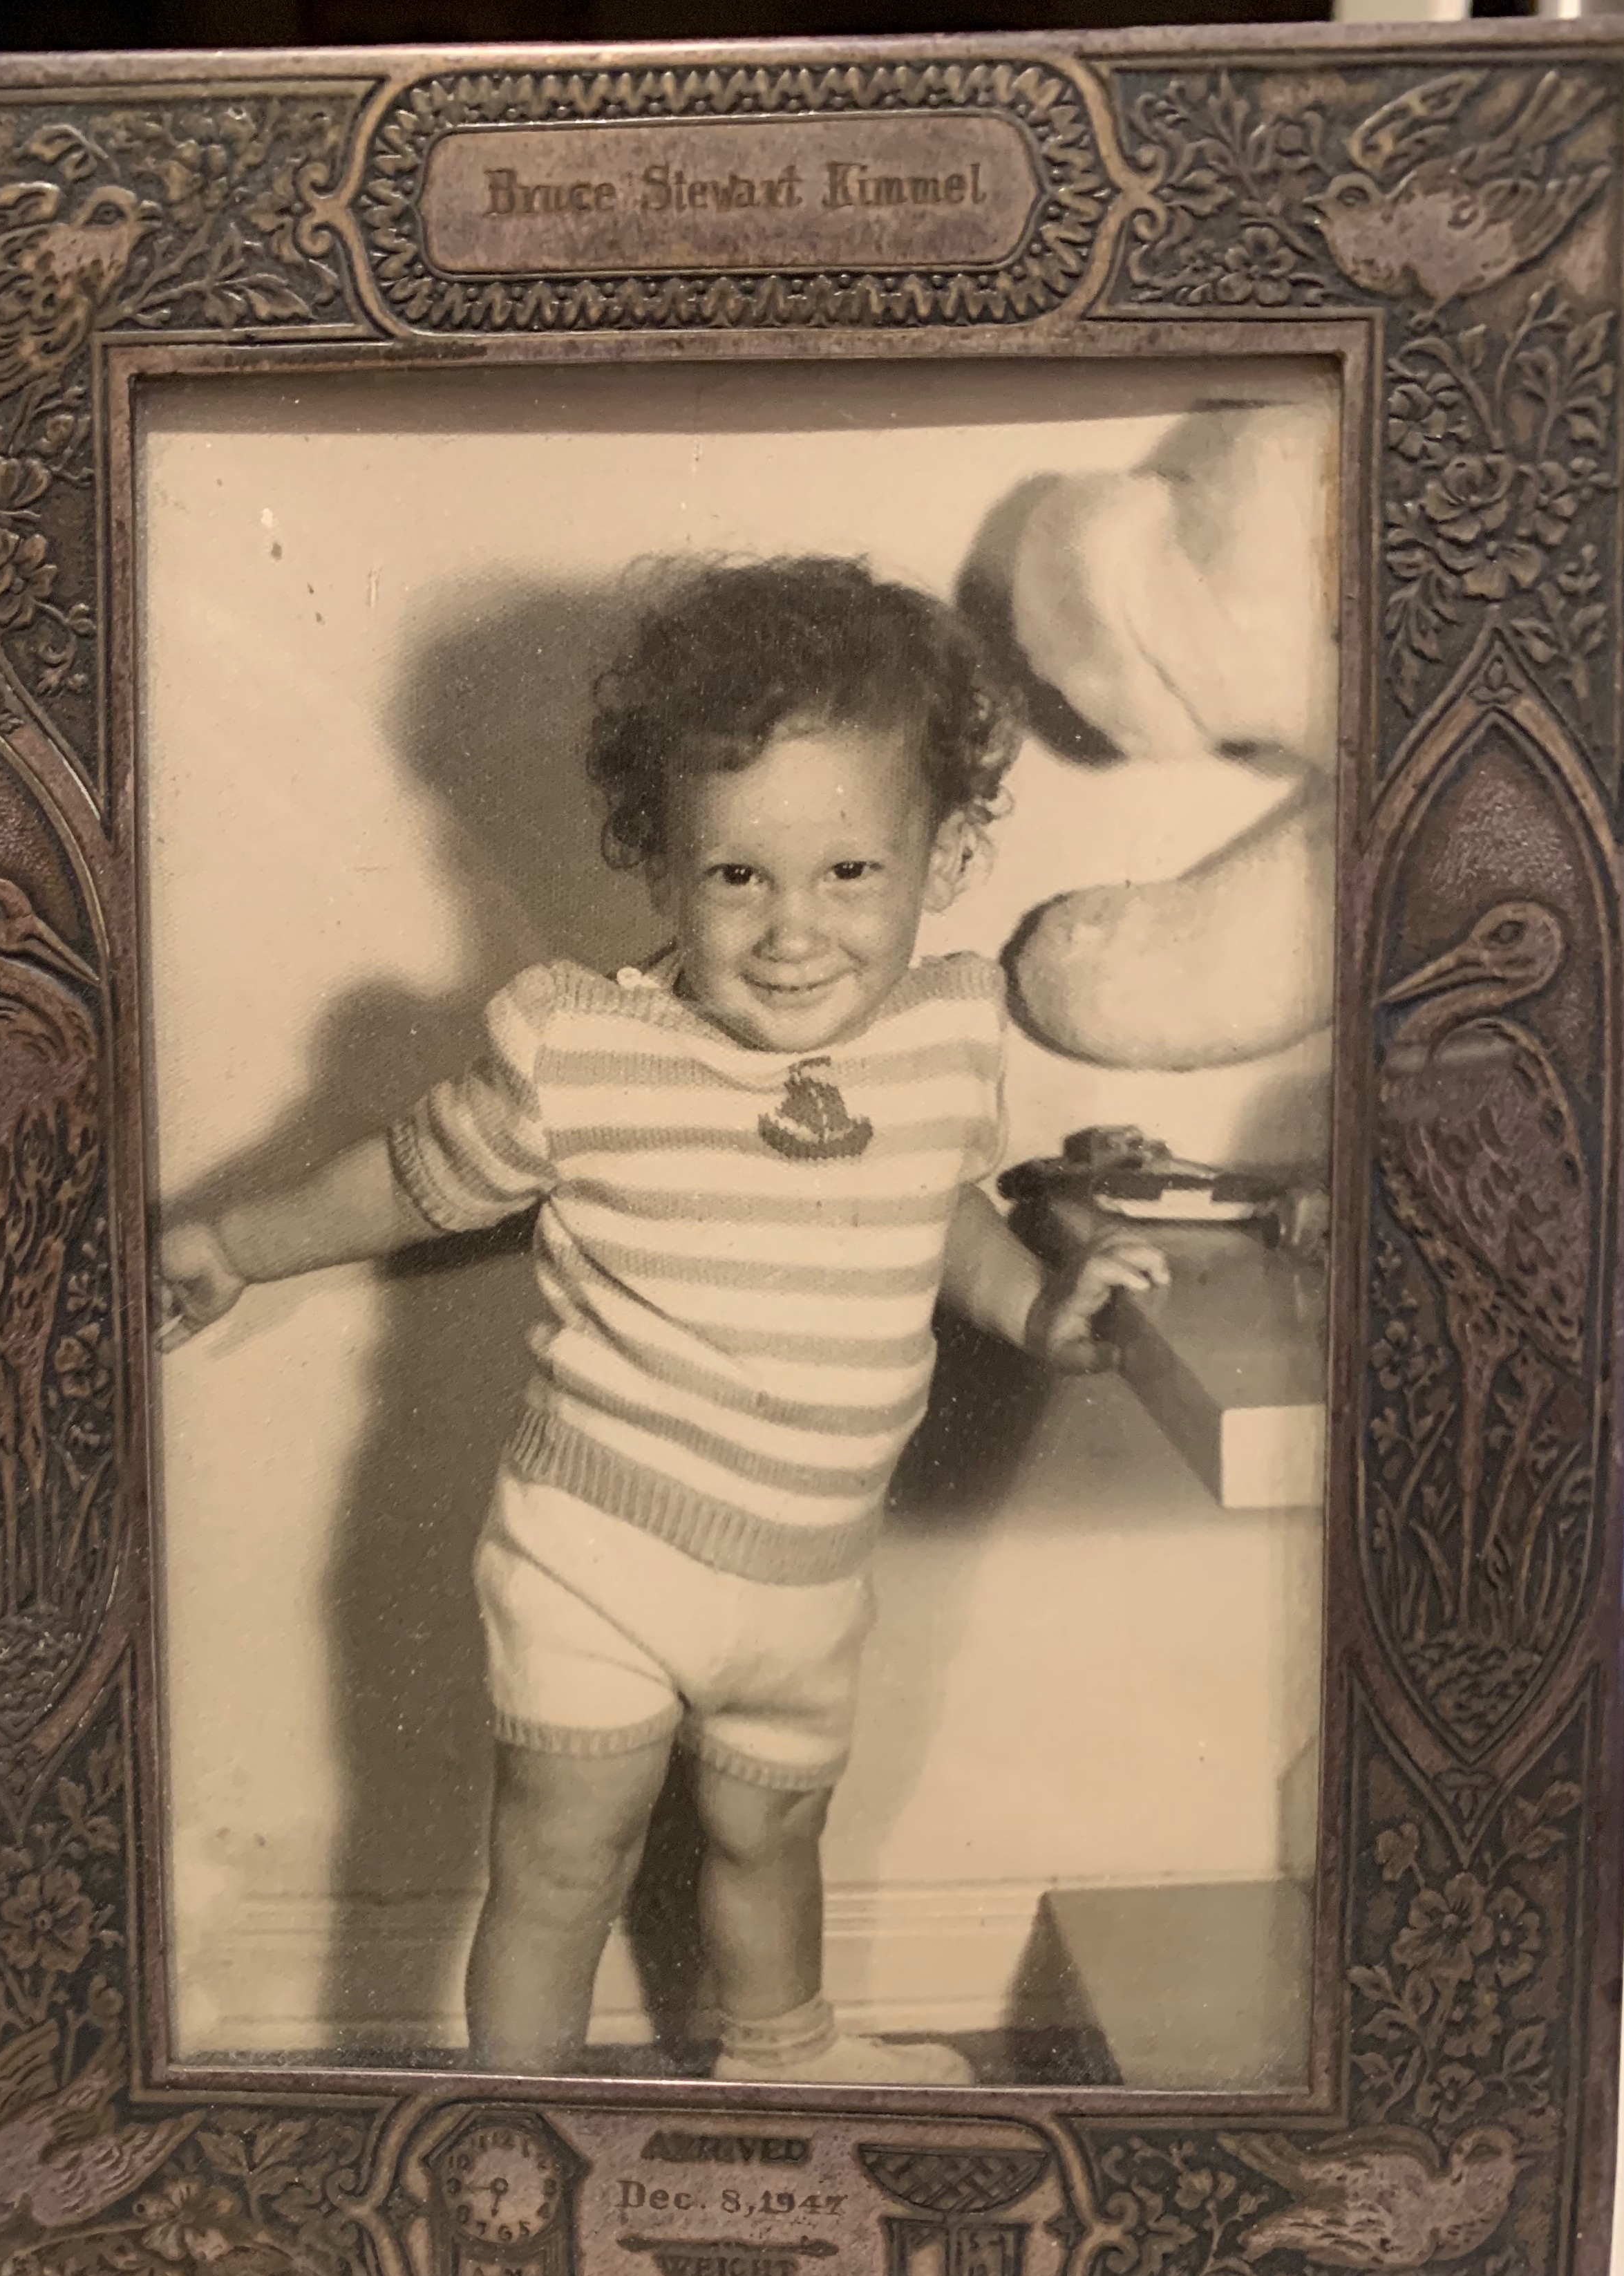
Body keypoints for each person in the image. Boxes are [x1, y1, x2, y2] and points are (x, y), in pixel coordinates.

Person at [159, 556, 1167, 2086]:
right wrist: (239, 1242)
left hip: (808, 1574)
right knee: (566, 1853)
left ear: (947, 855)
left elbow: (942, 1213)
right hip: (599, 1554)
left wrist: (1041, 1310)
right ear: (662, 867)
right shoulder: (587, 1054)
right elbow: (413, 1178)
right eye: (737, 876)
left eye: (849, 872)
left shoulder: (945, 1038)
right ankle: (521, 2114)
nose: (791, 931)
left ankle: (781, 2053)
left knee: (774, 1834)